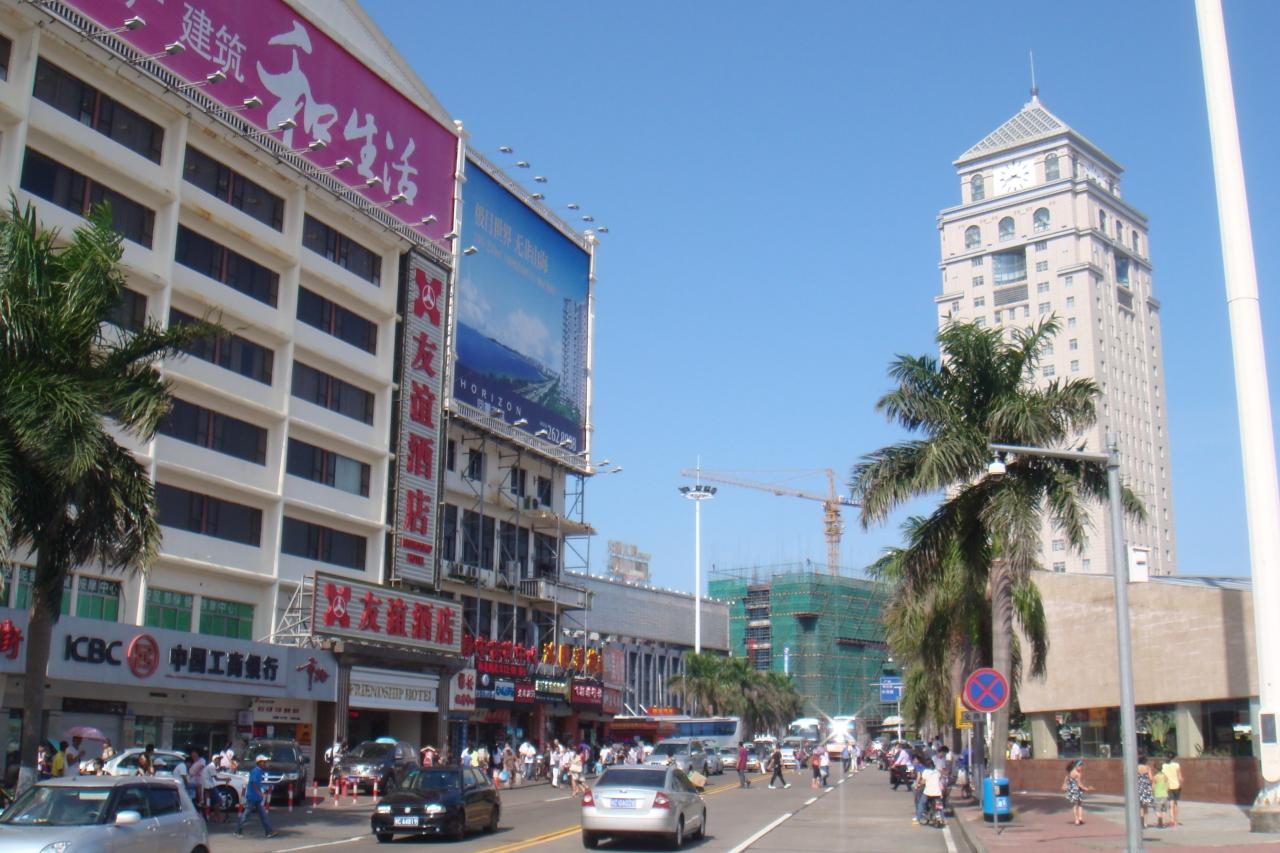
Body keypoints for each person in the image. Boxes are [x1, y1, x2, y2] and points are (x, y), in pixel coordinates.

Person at [234, 755, 276, 839]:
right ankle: (238, 830)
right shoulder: (256, 771)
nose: (265, 764)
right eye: (263, 762)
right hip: (253, 796)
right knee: (246, 815)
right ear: (259, 763)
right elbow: (253, 783)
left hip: (256, 797)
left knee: (263, 815)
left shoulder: (259, 771)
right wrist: (260, 792)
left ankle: (269, 831)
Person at [914, 758, 944, 826]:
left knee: (921, 804)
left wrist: (918, 785)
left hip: (928, 792)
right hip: (937, 792)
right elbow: (939, 778)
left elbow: (923, 781)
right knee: (939, 806)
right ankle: (943, 819)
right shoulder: (937, 771)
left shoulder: (925, 772)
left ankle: (918, 819)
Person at [1063, 759, 1091, 826]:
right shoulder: (1078, 774)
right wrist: (1085, 788)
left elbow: (1066, 779)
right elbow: (1079, 784)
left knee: (1076, 805)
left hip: (1072, 791)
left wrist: (1065, 785)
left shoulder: (1070, 773)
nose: (1081, 768)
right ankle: (1079, 819)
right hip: (1077, 791)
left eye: (1081, 766)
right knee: (1079, 804)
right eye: (1080, 766)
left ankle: (1077, 819)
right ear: (1076, 766)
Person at [1162, 755, 1182, 827]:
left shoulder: (1163, 766)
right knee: (1175, 803)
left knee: (1171, 803)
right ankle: (1176, 820)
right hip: (1176, 785)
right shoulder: (1177, 765)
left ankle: (1172, 819)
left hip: (1168, 786)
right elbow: (1179, 776)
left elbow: (1163, 777)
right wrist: (1180, 783)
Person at [1137, 755, 1155, 828]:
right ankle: (1145, 823)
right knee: (1145, 806)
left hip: (1138, 788)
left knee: (1140, 806)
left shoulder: (1136, 768)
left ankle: (1141, 822)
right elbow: (1151, 778)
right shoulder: (1147, 768)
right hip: (1146, 787)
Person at [1153, 762, 1171, 829]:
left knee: (1157, 809)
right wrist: (1166, 791)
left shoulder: (1155, 777)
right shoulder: (1165, 776)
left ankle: (1159, 820)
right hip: (1165, 794)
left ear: (1156, 769)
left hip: (1157, 794)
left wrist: (1153, 793)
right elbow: (1168, 786)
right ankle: (1162, 823)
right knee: (1164, 809)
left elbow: (1153, 787)